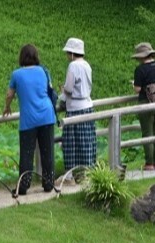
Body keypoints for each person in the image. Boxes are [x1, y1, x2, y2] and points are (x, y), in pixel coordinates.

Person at [3, 44, 55, 195]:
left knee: (27, 153)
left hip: (29, 119)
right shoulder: (43, 71)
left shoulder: (17, 74)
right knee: (47, 151)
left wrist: (7, 107)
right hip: (47, 115)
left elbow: (9, 95)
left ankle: (24, 186)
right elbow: (48, 89)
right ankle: (48, 183)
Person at [56, 38, 96, 185]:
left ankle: (69, 175)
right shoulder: (87, 65)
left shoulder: (73, 66)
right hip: (88, 106)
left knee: (71, 142)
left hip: (75, 108)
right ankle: (88, 172)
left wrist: (62, 92)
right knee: (86, 141)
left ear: (72, 53)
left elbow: (69, 88)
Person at [132, 42, 155, 170]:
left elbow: (137, 89)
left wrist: (133, 84)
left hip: (146, 103)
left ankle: (149, 163)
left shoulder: (140, 69)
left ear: (141, 56)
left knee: (147, 133)